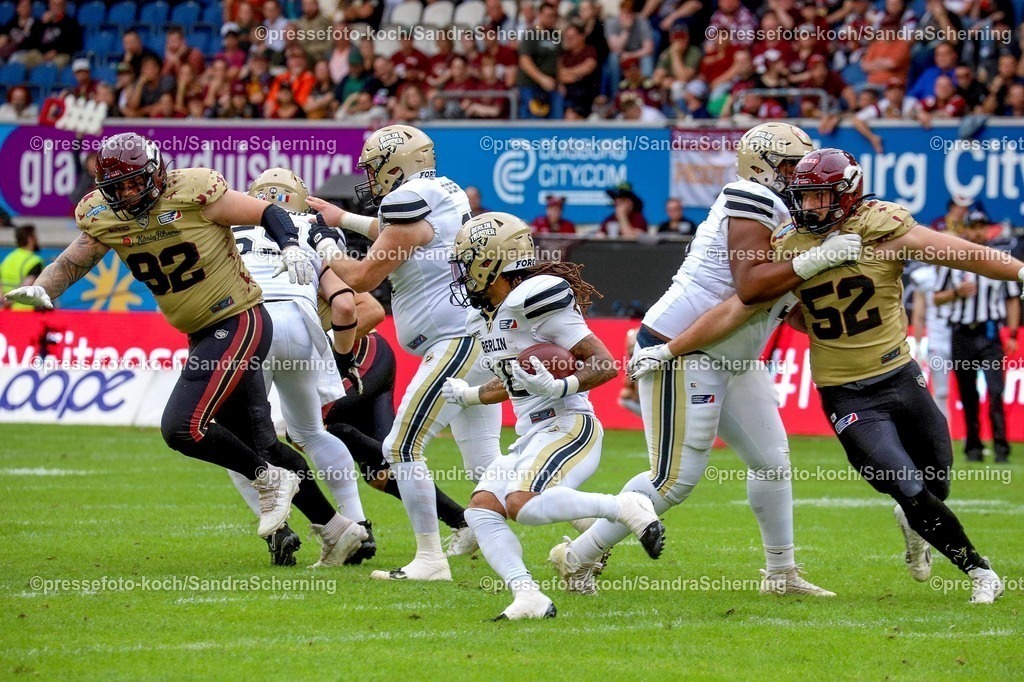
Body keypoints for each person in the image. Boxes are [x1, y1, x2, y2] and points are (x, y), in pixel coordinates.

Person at [5, 133, 368, 566]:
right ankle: (338, 530)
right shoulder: (102, 214)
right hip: (201, 331)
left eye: (135, 183)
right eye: (116, 188)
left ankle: (268, 480)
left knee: (181, 427)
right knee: (261, 441)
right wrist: (44, 287)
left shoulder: (195, 190)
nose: (127, 194)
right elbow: (73, 260)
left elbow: (266, 209)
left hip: (238, 318)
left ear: (156, 172)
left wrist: (291, 243)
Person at [552, 123, 836, 598]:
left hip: (734, 353)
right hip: (683, 346)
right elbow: (750, 285)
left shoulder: (788, 212)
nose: (799, 175)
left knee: (772, 463)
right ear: (763, 166)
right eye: (790, 165)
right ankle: (577, 556)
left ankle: (781, 574)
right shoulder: (751, 195)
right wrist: (814, 261)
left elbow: (789, 305)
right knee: (673, 480)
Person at [772, 148, 1023, 603]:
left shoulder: (883, 227)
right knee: (907, 486)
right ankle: (980, 571)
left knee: (935, 484)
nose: (809, 208)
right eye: (804, 198)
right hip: (846, 394)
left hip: (900, 377)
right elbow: (776, 303)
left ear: (847, 194)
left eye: (819, 197)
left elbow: (963, 254)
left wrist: (1020, 270)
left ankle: (913, 522)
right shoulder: (790, 244)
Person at [443, 212, 665, 619]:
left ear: (492, 261)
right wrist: (470, 395)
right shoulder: (484, 316)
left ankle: (626, 506)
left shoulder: (533, 299)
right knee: (480, 510)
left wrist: (560, 387)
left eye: (468, 260)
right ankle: (528, 595)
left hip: (569, 424)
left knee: (522, 505)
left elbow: (603, 363)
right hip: (532, 434)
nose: (463, 272)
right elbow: (513, 382)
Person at [307, 125, 503, 581]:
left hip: (453, 343)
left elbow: (361, 278)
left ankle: (430, 561)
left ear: (398, 167)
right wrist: (342, 219)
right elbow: (399, 232)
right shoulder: (442, 191)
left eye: (376, 169)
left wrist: (314, 248)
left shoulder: (409, 200)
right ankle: (594, 523)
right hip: (471, 337)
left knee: (400, 446)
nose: (372, 180)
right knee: (487, 463)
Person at [225, 168, 371, 566]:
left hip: (252, 324)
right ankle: (358, 522)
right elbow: (344, 305)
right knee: (310, 431)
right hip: (303, 326)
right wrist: (342, 357)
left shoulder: (230, 226)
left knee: (236, 443)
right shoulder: (314, 228)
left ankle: (278, 528)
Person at [320, 293, 478, 555]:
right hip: (351, 367)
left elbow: (373, 311)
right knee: (379, 473)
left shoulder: (308, 263)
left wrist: (327, 350)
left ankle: (358, 532)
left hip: (366, 358)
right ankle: (461, 520)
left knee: (321, 429)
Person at [934, 213, 1021, 463]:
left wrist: (1012, 333)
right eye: (973, 227)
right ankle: (973, 446)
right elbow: (936, 297)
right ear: (966, 230)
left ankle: (1001, 447)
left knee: (995, 392)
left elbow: (1012, 298)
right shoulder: (953, 260)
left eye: (982, 227)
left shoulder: (1000, 259)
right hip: (961, 333)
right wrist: (956, 293)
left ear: (988, 230)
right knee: (968, 394)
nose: (978, 232)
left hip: (989, 333)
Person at [909, 263, 952, 420]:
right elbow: (919, 315)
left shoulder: (962, 274)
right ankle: (945, 441)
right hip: (937, 339)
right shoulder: (924, 277)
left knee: (968, 391)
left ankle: (973, 442)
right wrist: (918, 344)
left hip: (961, 337)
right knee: (940, 392)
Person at [1, 225, 45, 311]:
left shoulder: (8, 258)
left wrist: (4, 301)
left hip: (6, 311)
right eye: (35, 236)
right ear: (30, 239)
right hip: (26, 311)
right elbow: (25, 288)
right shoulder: (34, 261)